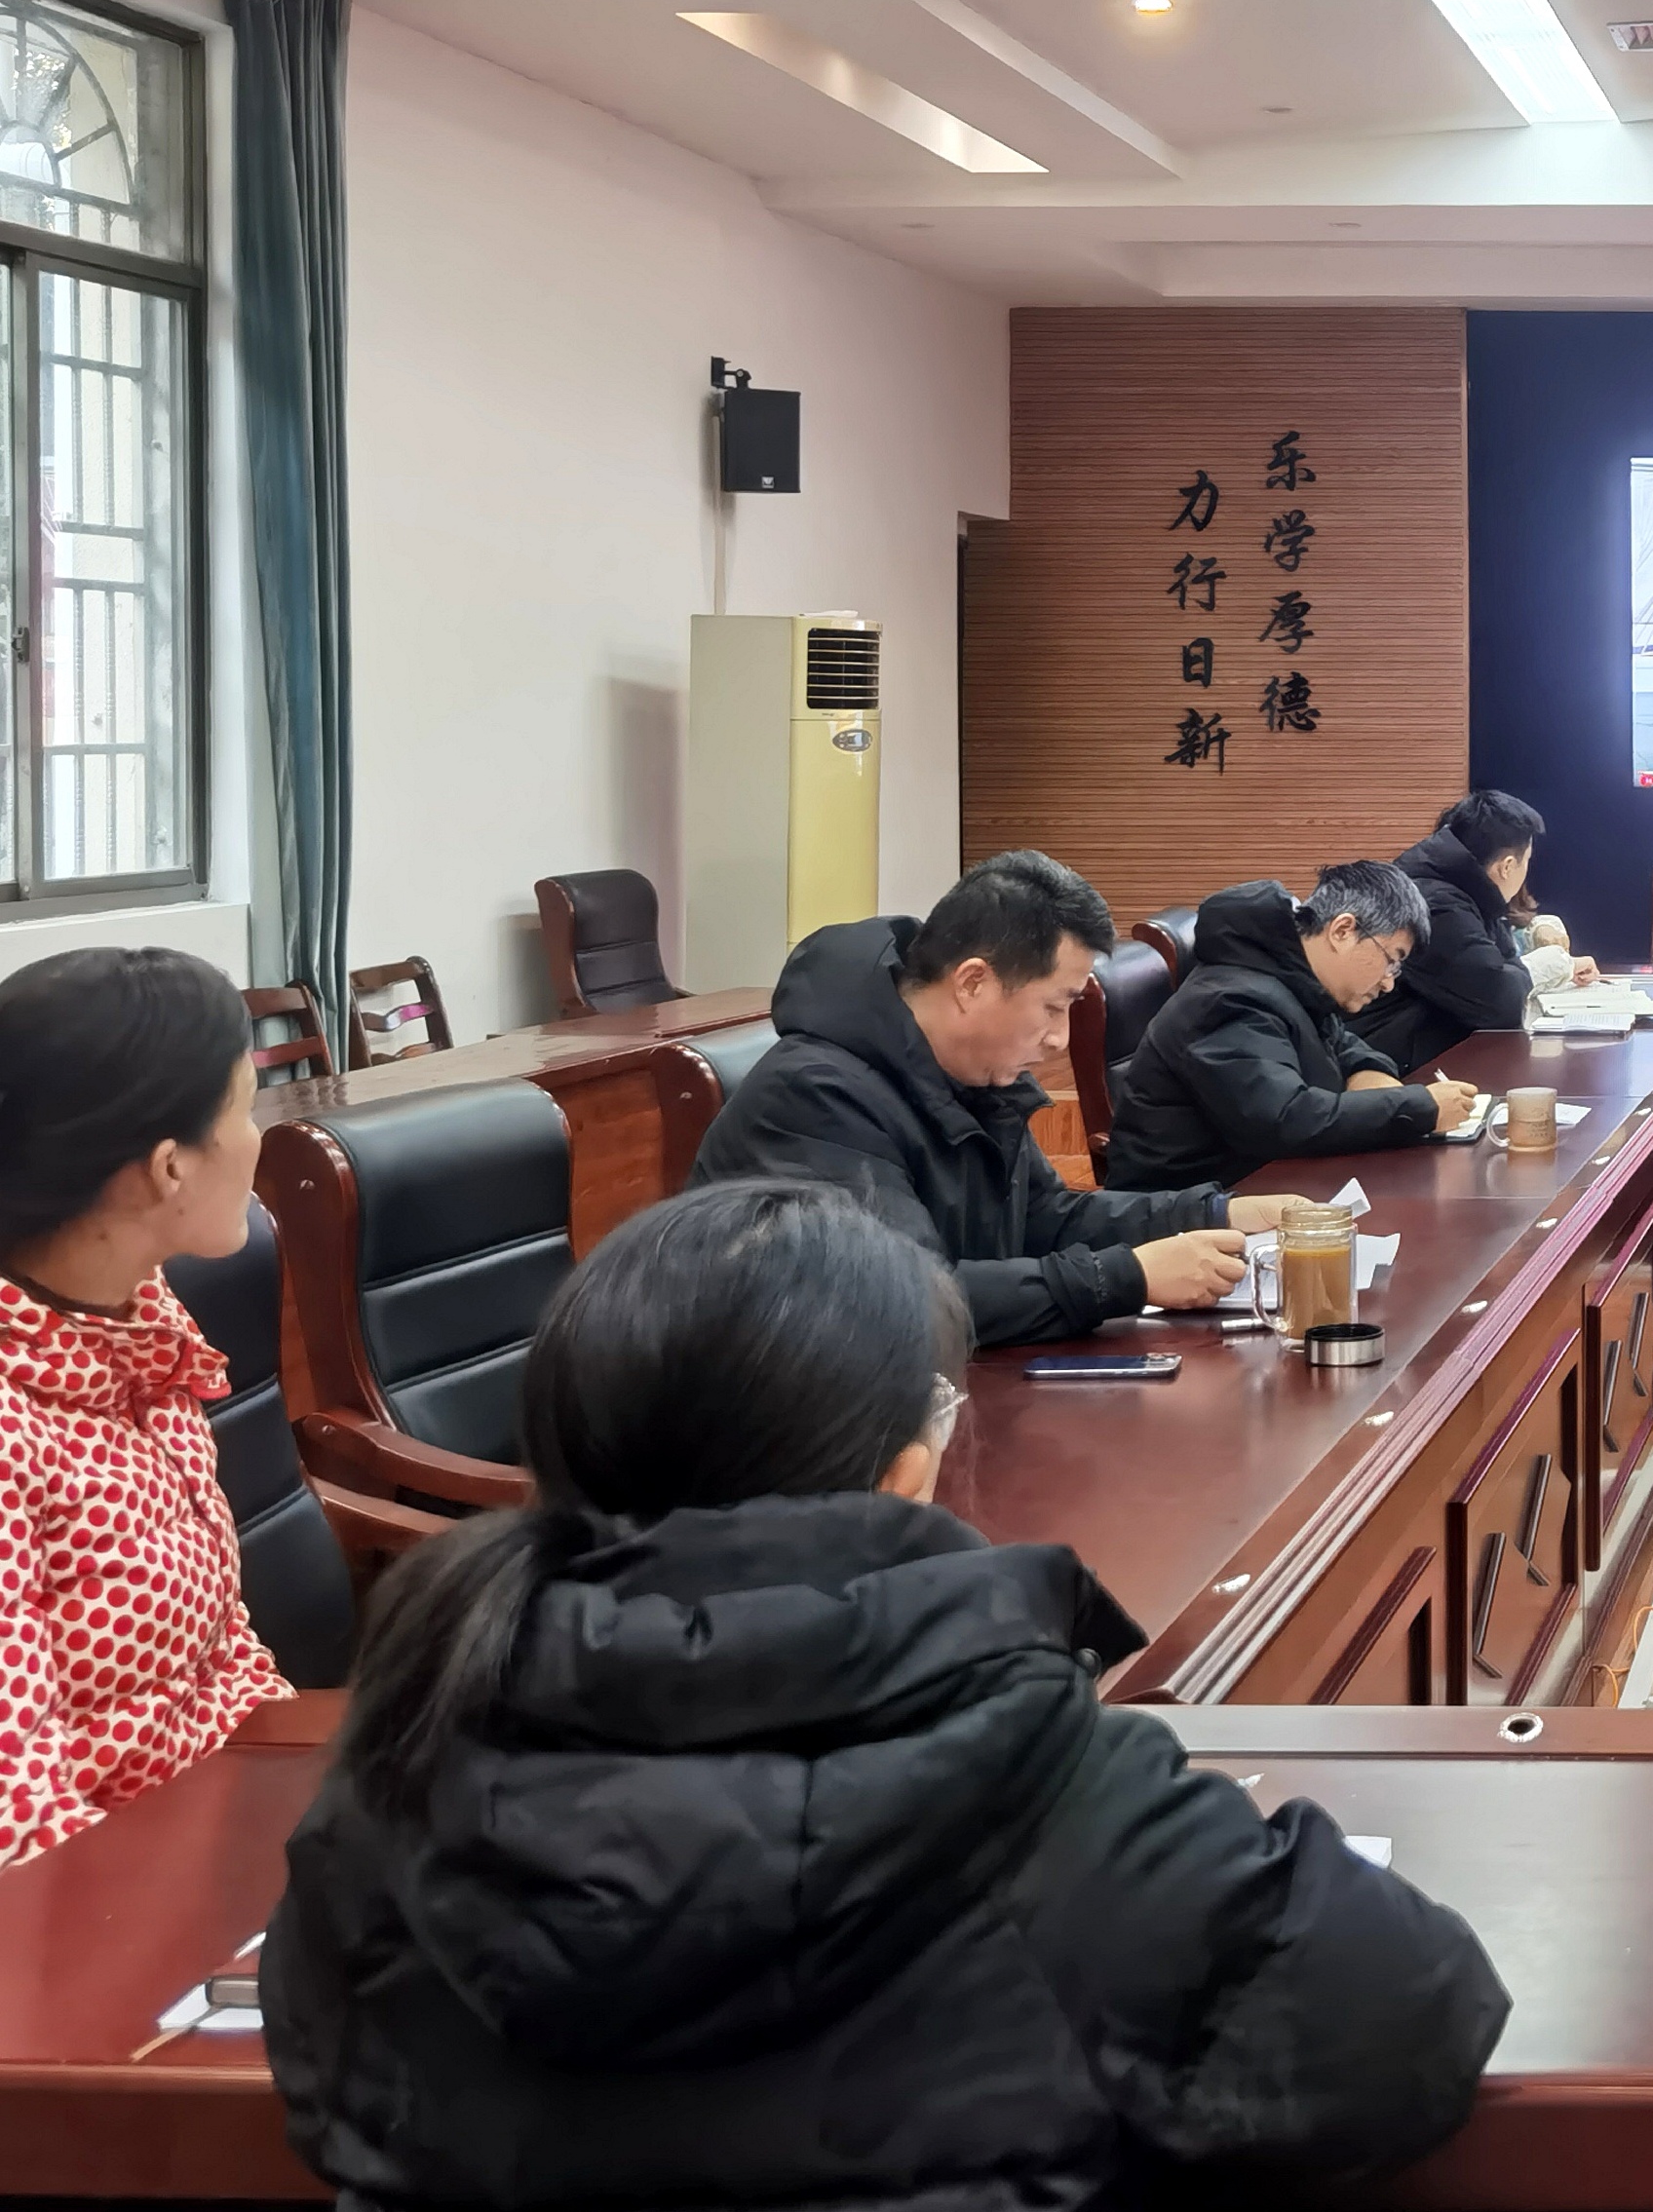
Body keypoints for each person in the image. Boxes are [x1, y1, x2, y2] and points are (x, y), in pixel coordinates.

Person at [263, 1182, 1509, 2208]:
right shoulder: (1046, 1785)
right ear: (908, 1470)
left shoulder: (401, 1765)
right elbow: (1409, 2016)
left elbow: (328, 2094)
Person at [693, 850, 1293, 1347]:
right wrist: (1127, 1279)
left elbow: (1045, 1218)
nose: (1060, 1039)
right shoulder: (814, 1097)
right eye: (1053, 1007)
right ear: (972, 982)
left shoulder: (972, 1074)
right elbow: (900, 1299)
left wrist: (1216, 1214)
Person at [0, 949, 291, 1867]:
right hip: (106, 1898)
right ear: (168, 1167)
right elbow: (22, 1829)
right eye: (246, 1109)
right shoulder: (12, 1425)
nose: (257, 1138)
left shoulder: (139, 1320)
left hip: (229, 1822)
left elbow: (223, 1652)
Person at [1105, 862, 1485, 1189]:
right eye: (1391, 960)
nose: (1389, 983)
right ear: (1343, 931)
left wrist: (1369, 1072)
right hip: (1191, 1210)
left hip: (1266, 1183)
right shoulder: (1231, 1001)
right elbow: (1283, 1120)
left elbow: (1339, 1042)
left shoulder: (1287, 975)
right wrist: (1418, 1107)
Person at [1353, 788, 1600, 1073]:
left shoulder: (1466, 891)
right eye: (1527, 860)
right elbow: (1501, 1001)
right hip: (1389, 1066)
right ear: (1507, 867)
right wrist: (1552, 965)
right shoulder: (1435, 903)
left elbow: (1504, 965)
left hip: (1424, 1053)